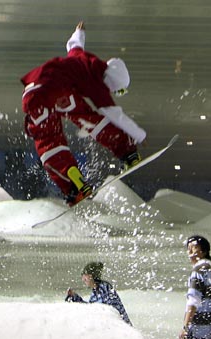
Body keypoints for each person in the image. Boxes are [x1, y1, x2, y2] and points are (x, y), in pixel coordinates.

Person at [21, 21, 146, 206]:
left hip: (33, 91)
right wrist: (139, 136)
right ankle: (128, 154)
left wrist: (79, 32)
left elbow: (74, 46)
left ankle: (73, 185)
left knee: (47, 138)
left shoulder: (84, 59)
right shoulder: (98, 85)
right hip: (60, 91)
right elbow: (114, 115)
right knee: (90, 120)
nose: (113, 93)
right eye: (117, 90)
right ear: (112, 82)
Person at [175, 235, 211, 339]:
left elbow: (193, 302)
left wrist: (185, 327)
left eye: (193, 248)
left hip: (196, 330)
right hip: (208, 330)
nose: (190, 252)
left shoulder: (198, 271)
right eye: (188, 249)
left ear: (204, 251)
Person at [65, 261, 132, 325]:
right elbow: (92, 308)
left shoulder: (104, 288)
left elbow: (108, 310)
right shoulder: (96, 290)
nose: (83, 279)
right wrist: (75, 297)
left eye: (85, 276)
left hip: (120, 328)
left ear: (91, 276)